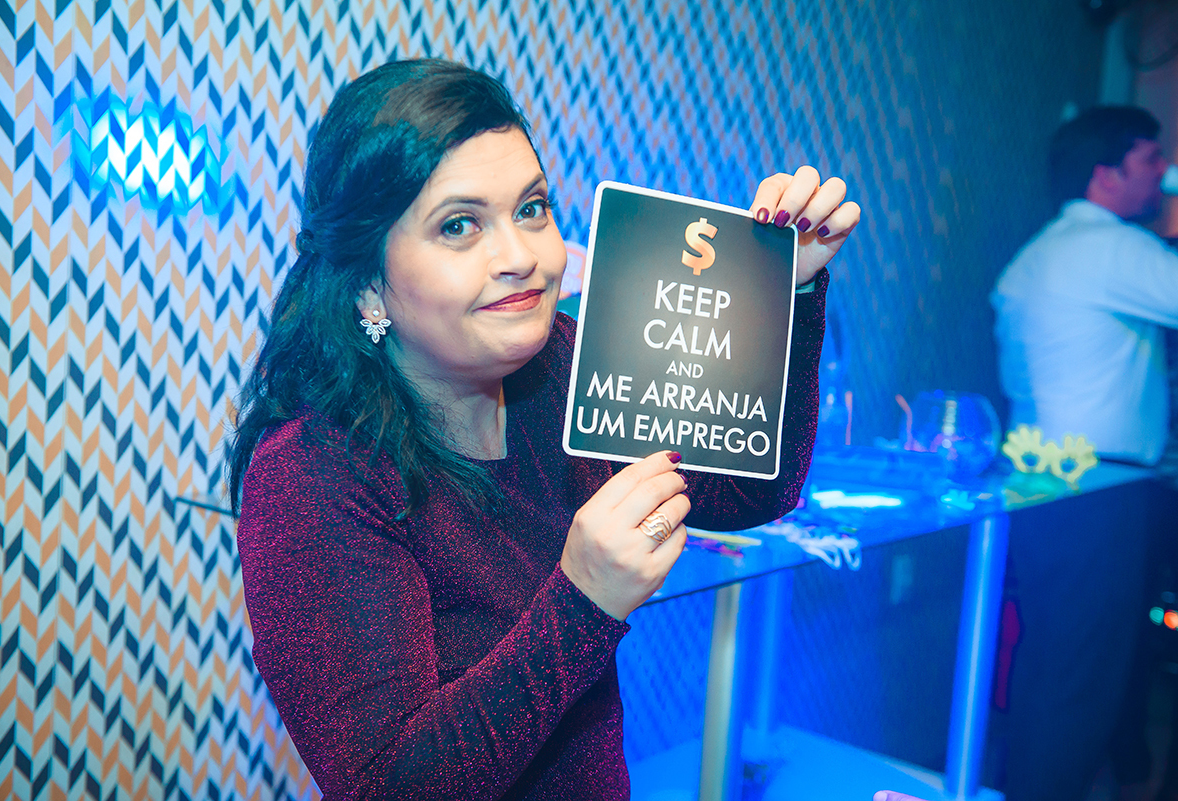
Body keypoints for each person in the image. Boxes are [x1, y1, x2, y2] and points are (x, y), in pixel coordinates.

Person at [227, 59, 860, 800]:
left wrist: (794, 285)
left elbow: (752, 486)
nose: (523, 257)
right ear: (369, 279)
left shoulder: (557, 367)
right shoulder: (313, 474)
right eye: (459, 226)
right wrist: (583, 599)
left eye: (531, 209)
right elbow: (391, 784)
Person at [991, 106, 1177, 801]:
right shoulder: (1116, 247)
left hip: (1038, 476)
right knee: (1082, 676)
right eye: (1150, 158)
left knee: (1050, 660)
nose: (1162, 170)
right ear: (1106, 173)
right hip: (1099, 486)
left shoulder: (1033, 254)